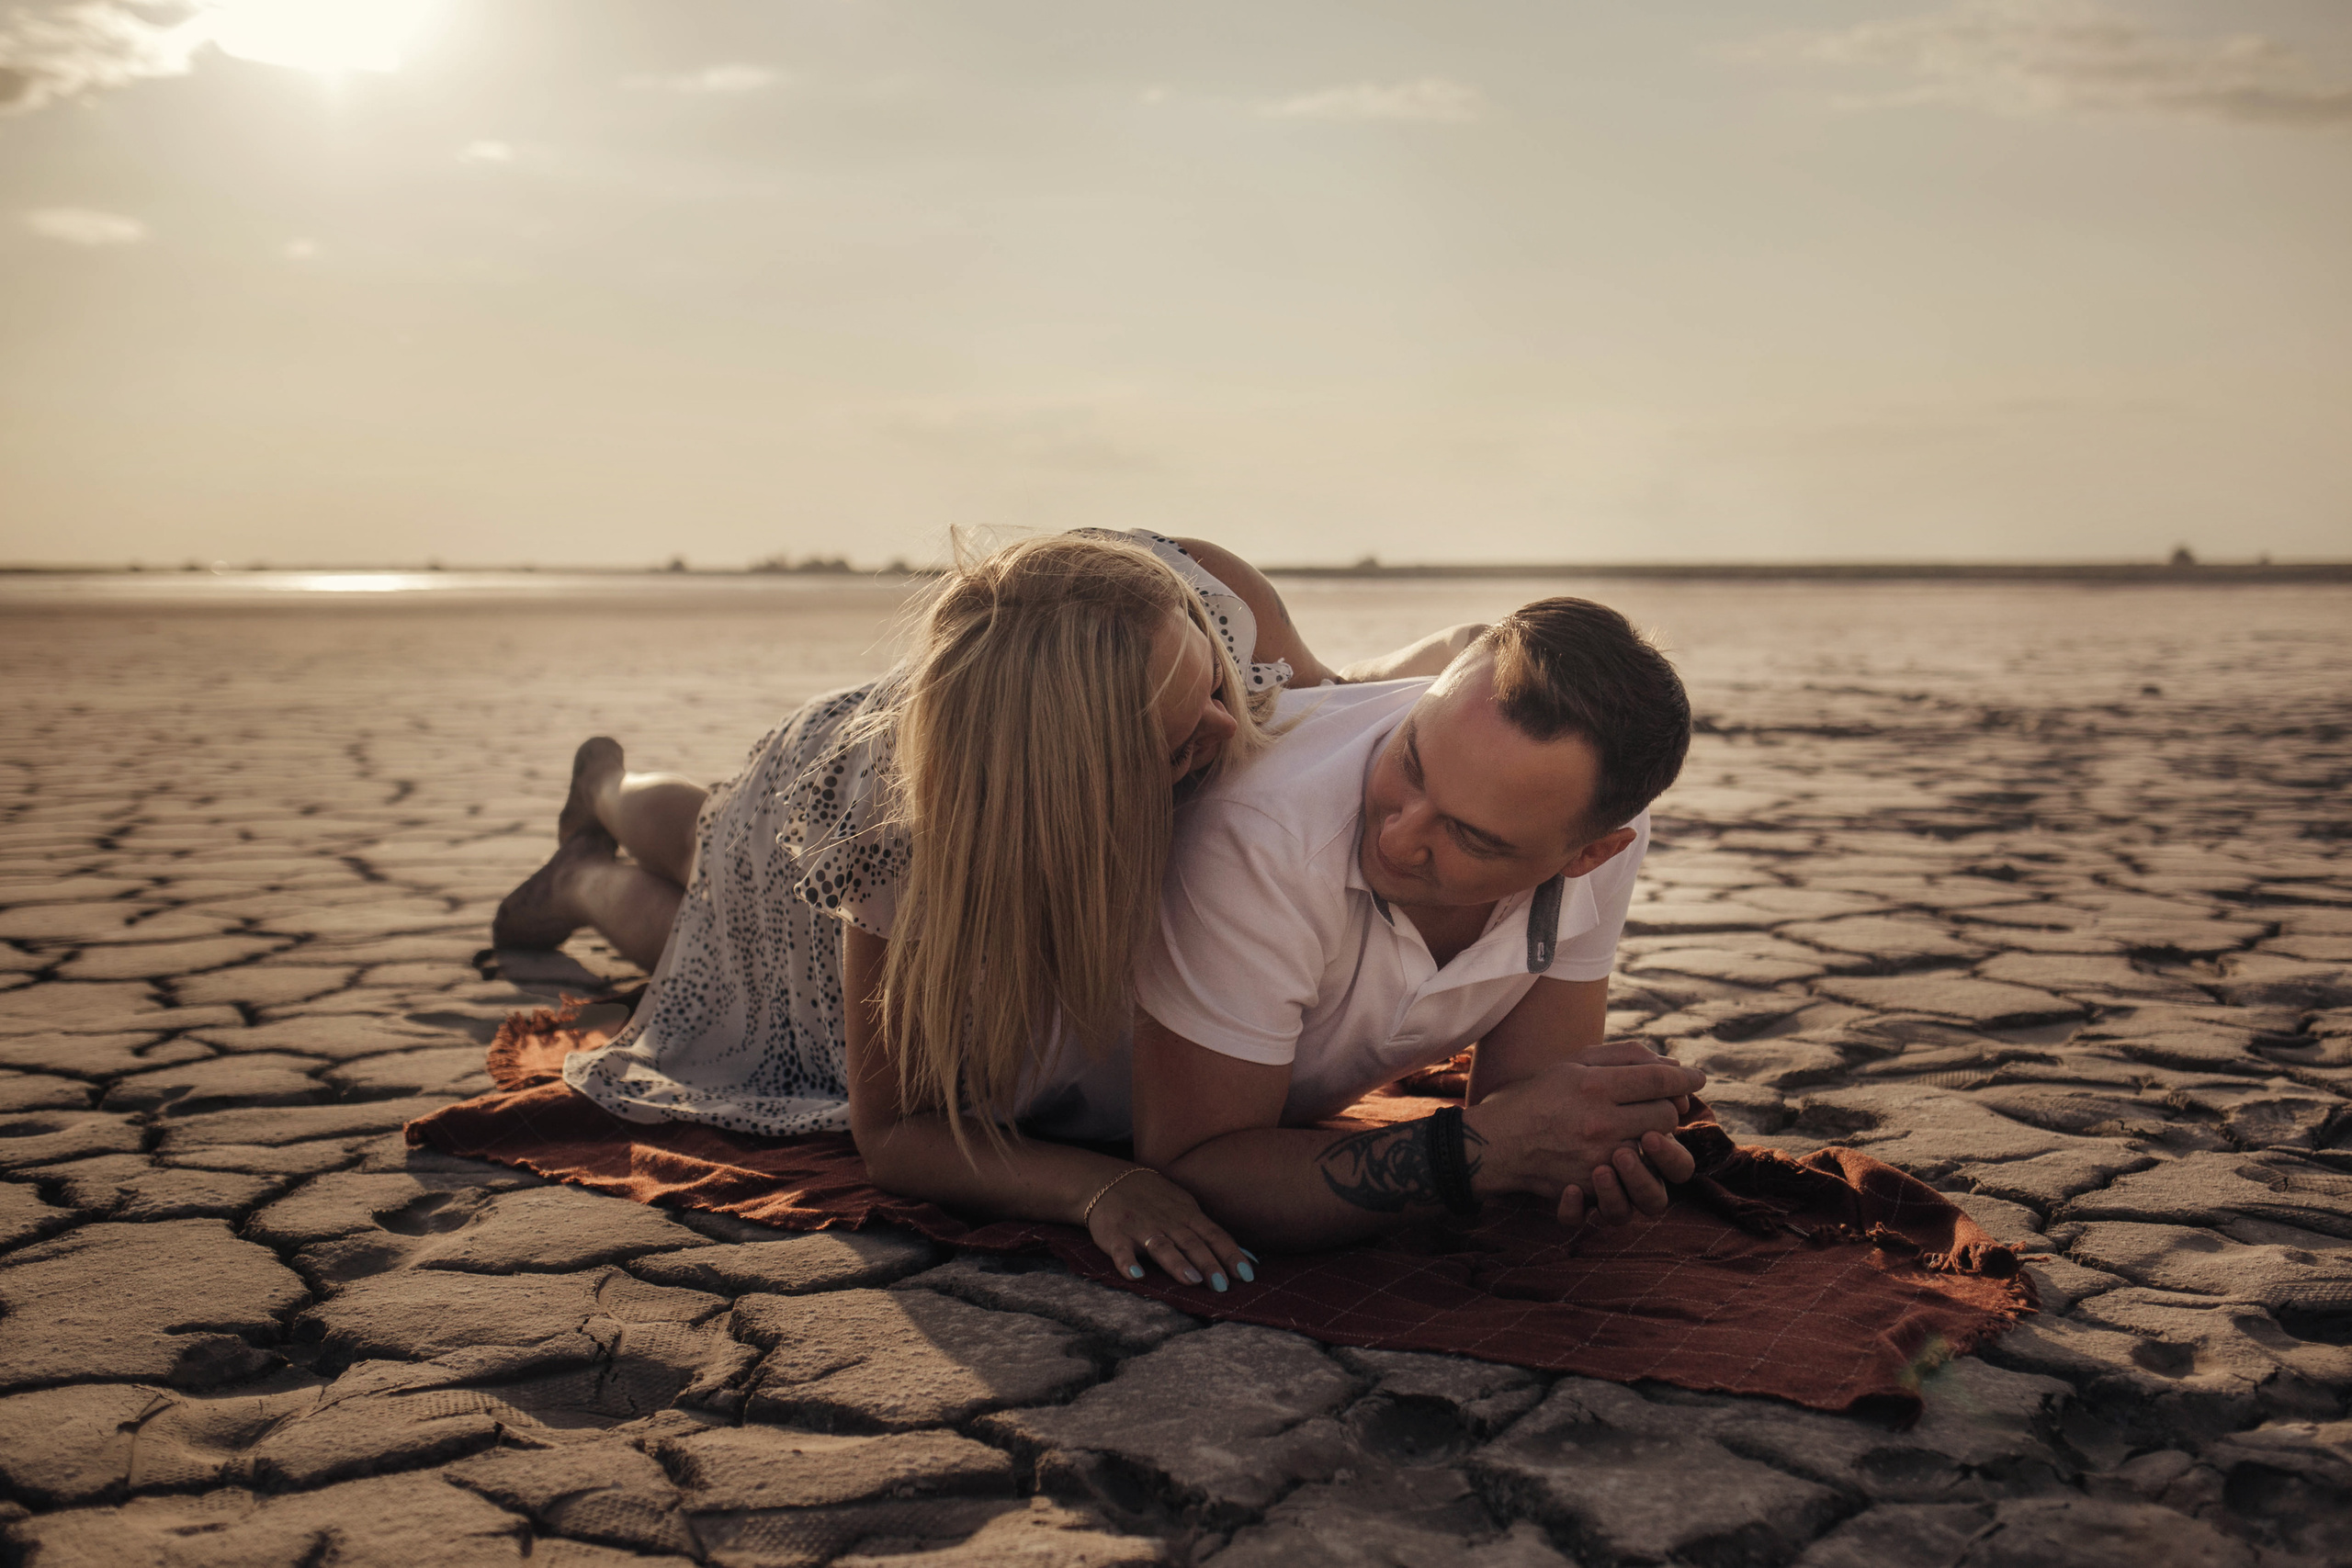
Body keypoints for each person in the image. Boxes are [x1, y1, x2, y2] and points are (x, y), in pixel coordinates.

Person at [490, 528, 1486, 1289]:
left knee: (711, 849)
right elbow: (894, 1134)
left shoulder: (1209, 596)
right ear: (1076, 779)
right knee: (714, 921)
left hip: (986, 709)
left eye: (1215, 682)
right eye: (1181, 737)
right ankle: (590, 842)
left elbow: (1332, 717)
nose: (1229, 728)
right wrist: (1096, 1184)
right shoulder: (905, 839)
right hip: (856, 770)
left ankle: (602, 808)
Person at [1127, 597, 1709, 1259]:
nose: (1398, 839)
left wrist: (1587, 1146)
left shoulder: (1585, 813)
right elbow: (1191, 1172)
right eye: (1409, 761)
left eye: (1470, 835)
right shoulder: (1262, 829)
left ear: (1589, 855)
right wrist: (1482, 1151)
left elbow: (1528, 1101)